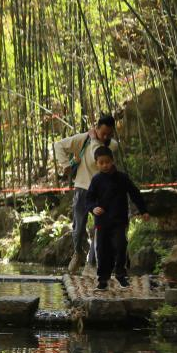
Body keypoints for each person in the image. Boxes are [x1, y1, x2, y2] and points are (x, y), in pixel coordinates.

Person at [53, 115, 118, 274]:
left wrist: (95, 138)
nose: (106, 137)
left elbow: (98, 155)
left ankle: (92, 264)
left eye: (110, 134)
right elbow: (58, 145)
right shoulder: (83, 140)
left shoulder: (113, 146)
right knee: (79, 227)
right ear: (96, 128)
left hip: (101, 193)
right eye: (103, 133)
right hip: (83, 189)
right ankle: (78, 252)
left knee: (100, 228)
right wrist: (65, 164)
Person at [86, 146, 149, 291]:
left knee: (121, 246)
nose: (104, 165)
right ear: (96, 164)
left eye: (107, 162)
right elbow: (89, 199)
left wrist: (143, 210)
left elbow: (135, 193)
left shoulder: (122, 178)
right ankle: (103, 279)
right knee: (102, 250)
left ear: (112, 161)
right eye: (101, 163)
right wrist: (93, 208)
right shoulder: (96, 180)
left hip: (119, 220)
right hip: (102, 222)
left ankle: (120, 274)